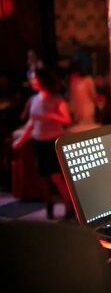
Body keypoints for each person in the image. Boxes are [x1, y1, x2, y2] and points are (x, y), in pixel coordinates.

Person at [12, 67, 74, 220]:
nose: (32, 81)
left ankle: (69, 207)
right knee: (43, 177)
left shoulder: (57, 100)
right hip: (39, 142)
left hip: (53, 142)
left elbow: (67, 119)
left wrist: (50, 116)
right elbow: (31, 122)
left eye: (35, 78)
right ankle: (49, 207)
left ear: (43, 80)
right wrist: (21, 140)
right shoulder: (34, 99)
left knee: (57, 177)